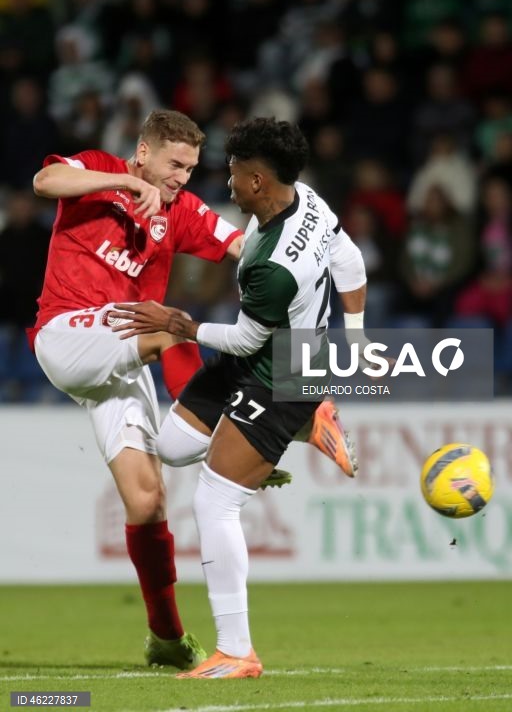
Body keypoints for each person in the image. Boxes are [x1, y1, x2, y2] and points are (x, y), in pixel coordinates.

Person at [28, 109, 355, 671]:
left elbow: (241, 246)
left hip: (120, 354)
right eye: (174, 165)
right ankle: (259, 422)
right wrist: (125, 183)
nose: (182, 178)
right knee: (169, 327)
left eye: (190, 168)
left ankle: (167, 637)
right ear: (143, 152)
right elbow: (44, 181)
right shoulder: (99, 170)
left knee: (147, 499)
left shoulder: (179, 211)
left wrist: (302, 258)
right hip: (66, 332)